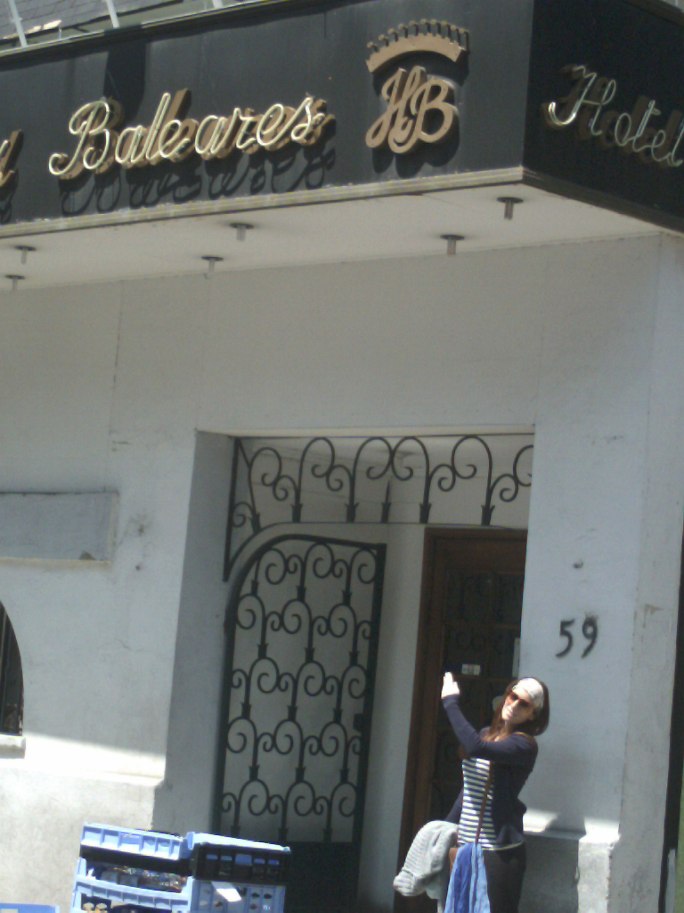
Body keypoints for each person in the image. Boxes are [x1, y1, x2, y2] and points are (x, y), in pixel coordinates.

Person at [440, 672, 550, 913]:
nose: (514, 705)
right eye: (513, 696)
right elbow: (469, 790)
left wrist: (450, 702)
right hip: (466, 847)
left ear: (533, 714)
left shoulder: (524, 745)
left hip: (498, 853)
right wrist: (445, 828)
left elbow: (474, 747)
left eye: (524, 704)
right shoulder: (485, 734)